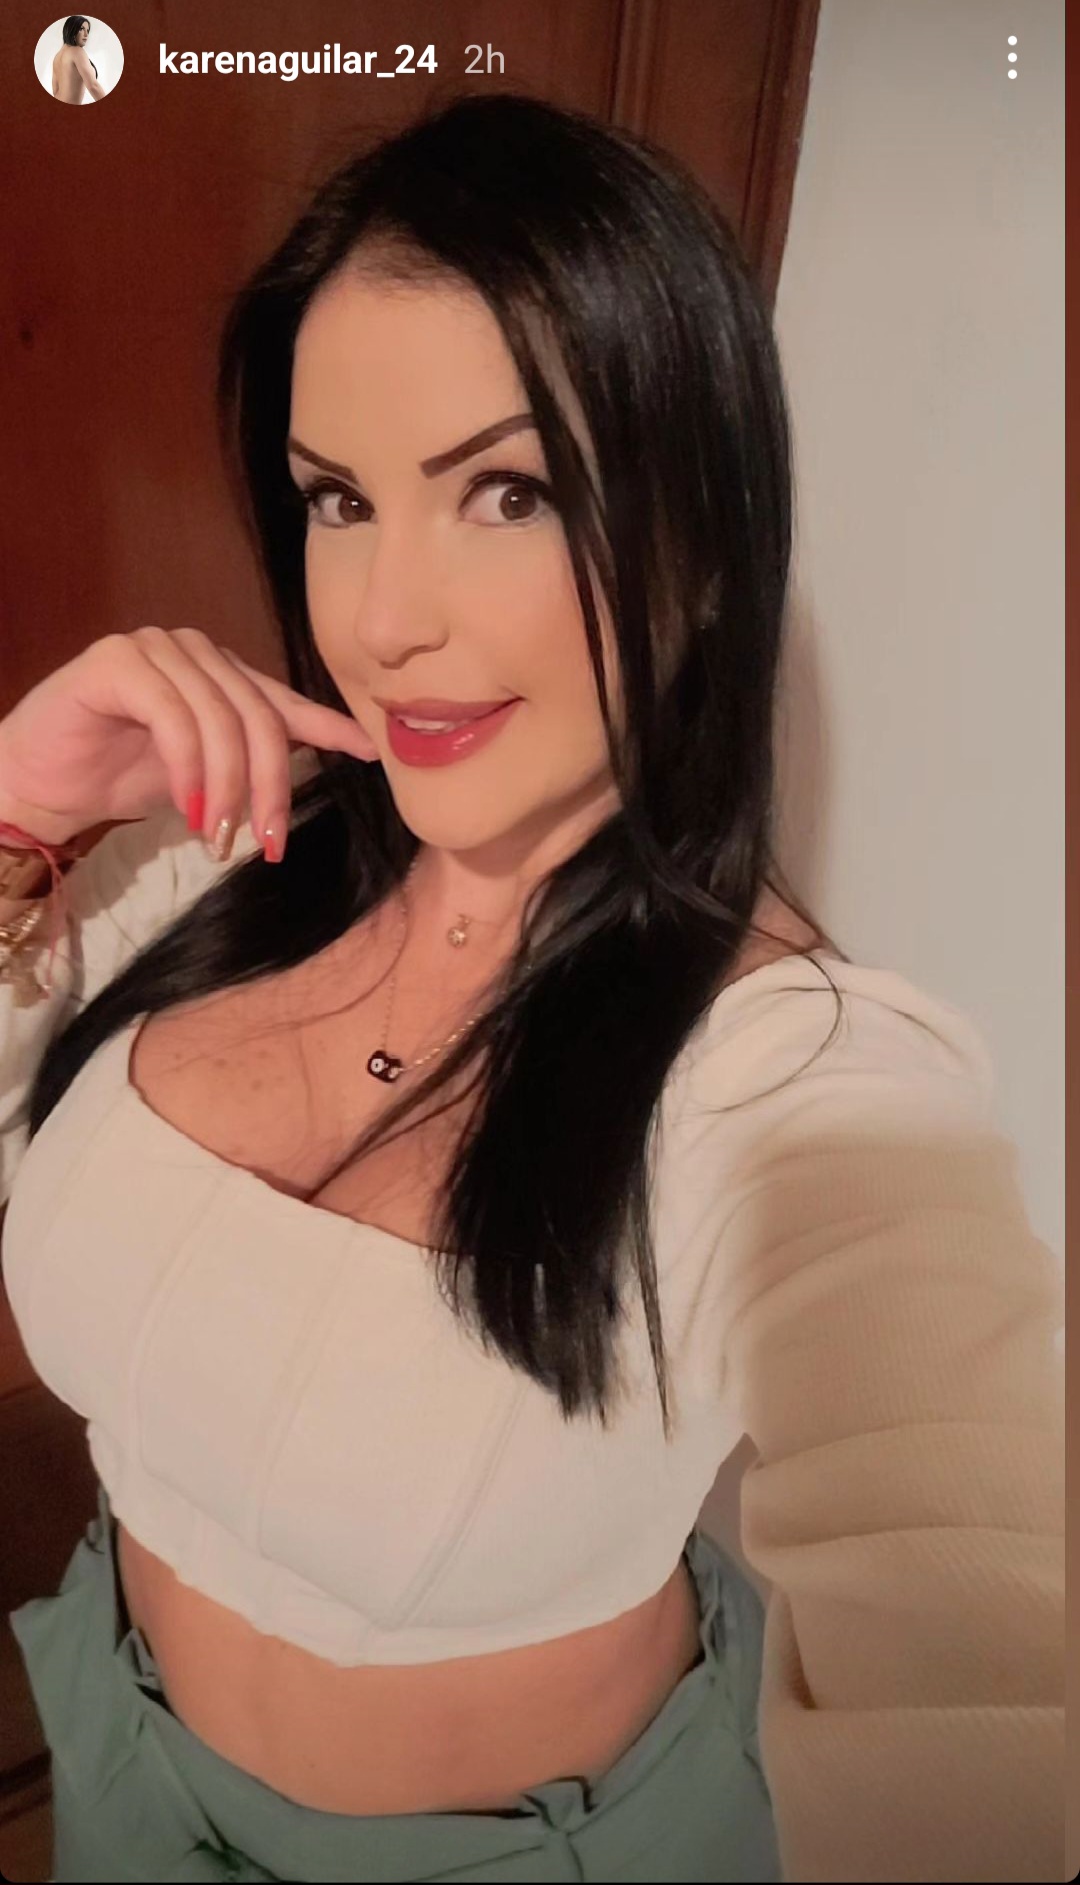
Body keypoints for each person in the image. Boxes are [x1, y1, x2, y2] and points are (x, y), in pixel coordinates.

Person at [0, 92, 1064, 1884]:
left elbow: (994, 1678)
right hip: (120, 1750)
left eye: (510, 491)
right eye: (340, 499)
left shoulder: (809, 1091)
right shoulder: (219, 868)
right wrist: (18, 816)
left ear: (704, 539)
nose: (381, 617)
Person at [52, 16, 104, 106]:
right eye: (81, 29)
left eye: (87, 30)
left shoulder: (58, 56)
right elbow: (93, 86)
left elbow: (55, 90)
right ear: (71, 29)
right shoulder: (77, 51)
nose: (86, 35)